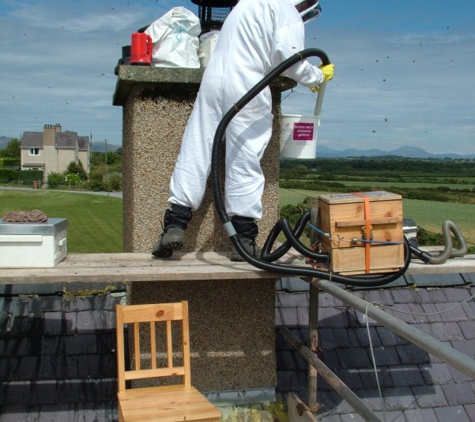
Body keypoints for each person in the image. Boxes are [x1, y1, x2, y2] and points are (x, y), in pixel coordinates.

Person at [152, 0, 334, 260]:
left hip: (213, 82)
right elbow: (290, 60)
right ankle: (244, 240)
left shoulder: (246, 5)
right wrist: (317, 76)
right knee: (244, 158)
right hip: (247, 86)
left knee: (197, 148)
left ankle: (175, 225)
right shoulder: (284, 10)